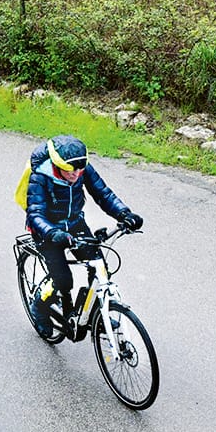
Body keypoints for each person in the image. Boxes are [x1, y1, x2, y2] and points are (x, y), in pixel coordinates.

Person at [25, 135, 142, 337]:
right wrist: (52, 232)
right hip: (48, 231)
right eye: (71, 170)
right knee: (62, 281)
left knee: (100, 267)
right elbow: (35, 213)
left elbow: (103, 194)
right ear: (57, 164)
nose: (77, 174)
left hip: (75, 224)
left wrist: (124, 214)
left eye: (80, 169)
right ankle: (39, 308)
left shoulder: (81, 169)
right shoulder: (40, 177)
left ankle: (98, 313)